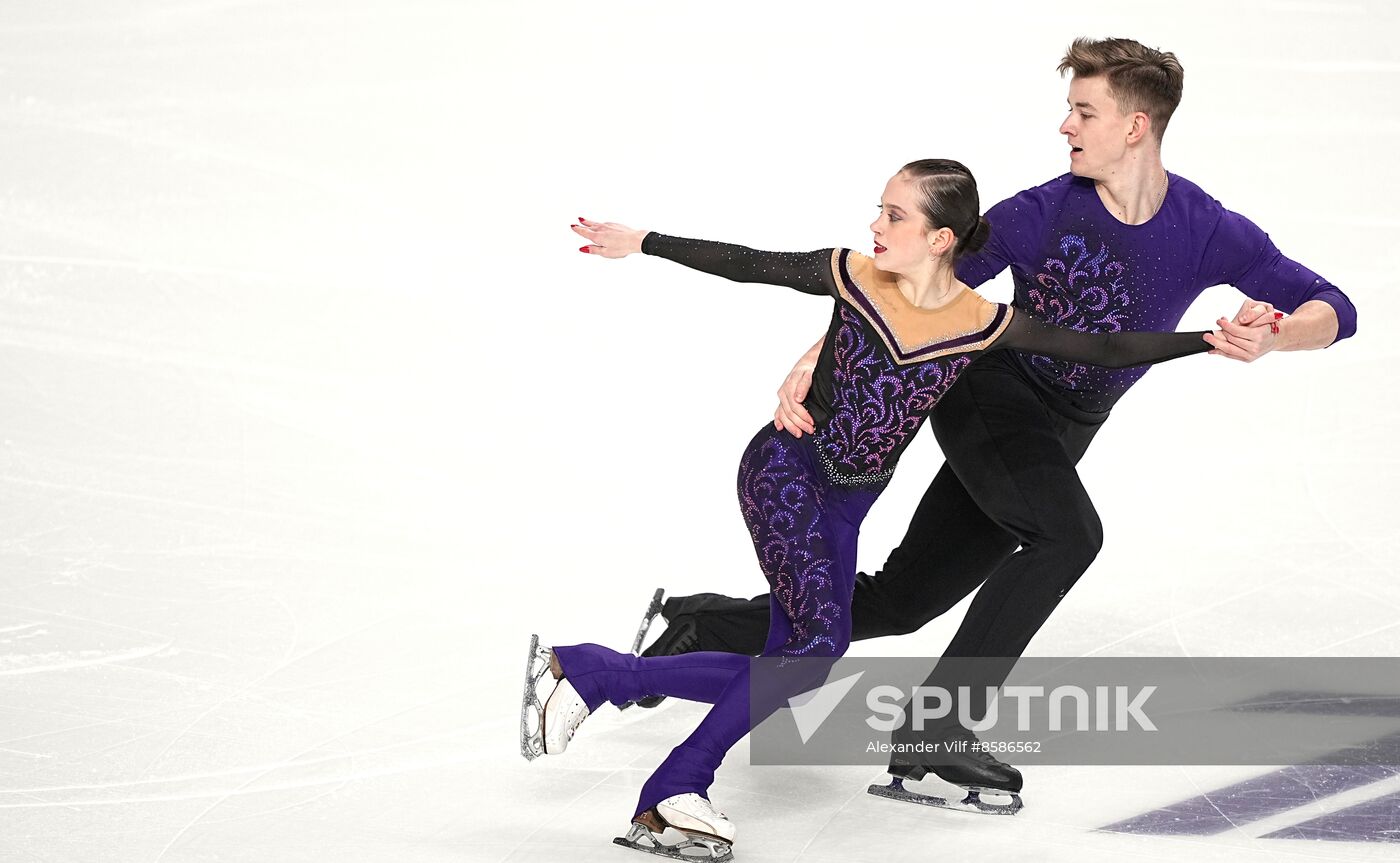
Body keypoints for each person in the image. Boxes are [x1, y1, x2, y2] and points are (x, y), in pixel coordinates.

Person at [627, 36, 1358, 810]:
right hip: (992, 397)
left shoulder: (1207, 227)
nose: (1065, 126)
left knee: (908, 599)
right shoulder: (1041, 211)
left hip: (1067, 427)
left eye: (1084, 111)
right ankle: (939, 732)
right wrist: (819, 357)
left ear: (1136, 126)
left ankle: (702, 625)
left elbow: (1334, 308)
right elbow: (907, 288)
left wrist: (1274, 333)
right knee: (1069, 535)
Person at [519, 157, 1225, 861]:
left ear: (942, 237)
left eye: (895, 215)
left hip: (848, 504)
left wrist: (1211, 339)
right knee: (813, 652)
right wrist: (642, 240)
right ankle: (674, 780)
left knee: (796, 657)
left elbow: (1104, 348)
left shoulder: (982, 323)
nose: (875, 224)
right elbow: (745, 262)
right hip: (786, 471)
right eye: (879, 210)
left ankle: (595, 673)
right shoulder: (853, 275)